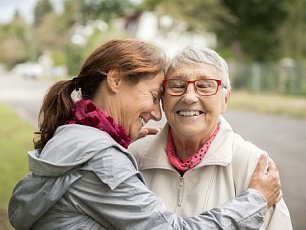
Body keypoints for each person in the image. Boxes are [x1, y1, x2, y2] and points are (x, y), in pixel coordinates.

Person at [8, 39, 281, 230]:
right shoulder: (103, 159)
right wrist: (255, 200)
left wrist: (117, 148)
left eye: (205, 86)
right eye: (155, 95)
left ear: (226, 97)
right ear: (115, 80)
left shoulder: (74, 136)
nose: (156, 112)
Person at [129, 46, 292, 229]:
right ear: (163, 99)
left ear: (225, 100)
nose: (189, 97)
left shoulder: (253, 165)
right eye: (177, 85)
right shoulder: (133, 156)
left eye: (204, 85)